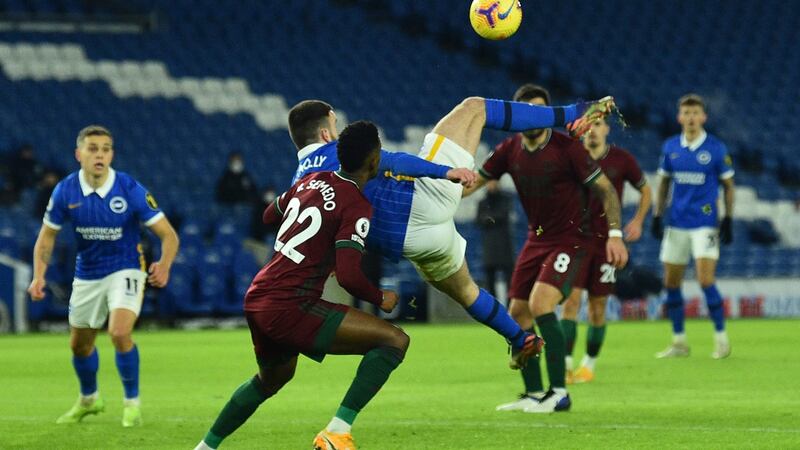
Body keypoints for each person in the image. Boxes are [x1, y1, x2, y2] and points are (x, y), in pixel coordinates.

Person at [286, 95, 611, 370]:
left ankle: (519, 338)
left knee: (467, 291)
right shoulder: (337, 152)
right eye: (336, 124)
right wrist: (445, 172)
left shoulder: (300, 188)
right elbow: (394, 162)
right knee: (474, 108)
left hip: (413, 244)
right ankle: (573, 114)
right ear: (328, 133)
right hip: (425, 200)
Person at [194, 121, 407, 450]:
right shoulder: (357, 205)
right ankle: (337, 432)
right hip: (290, 303)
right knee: (394, 340)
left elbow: (268, 215)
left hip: (259, 296)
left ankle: (205, 448)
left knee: (273, 379)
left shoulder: (312, 179)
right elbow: (349, 276)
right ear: (374, 160)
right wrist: (381, 297)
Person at [462, 84, 628, 413]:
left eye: (541, 110)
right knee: (517, 314)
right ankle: (534, 392)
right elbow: (474, 184)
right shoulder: (509, 149)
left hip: (571, 239)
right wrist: (438, 190)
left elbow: (607, 190)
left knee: (540, 305)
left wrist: (615, 234)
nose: (534, 117)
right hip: (535, 240)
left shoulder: (568, 148)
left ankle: (559, 393)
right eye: (528, 110)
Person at [27, 125, 179, 427]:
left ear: (112, 154)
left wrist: (164, 264)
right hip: (87, 274)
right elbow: (46, 238)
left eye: (106, 149)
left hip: (126, 267)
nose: (100, 154)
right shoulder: (65, 191)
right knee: (79, 345)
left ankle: (131, 404)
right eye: (93, 148)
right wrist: (38, 276)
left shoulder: (129, 188)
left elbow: (168, 235)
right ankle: (89, 399)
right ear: (78, 154)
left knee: (119, 332)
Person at [560, 117, 652, 384]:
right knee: (571, 303)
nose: (592, 130)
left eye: (598, 124)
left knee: (597, 308)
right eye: (587, 126)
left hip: (605, 245)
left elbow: (646, 190)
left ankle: (588, 366)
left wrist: (638, 220)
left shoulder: (621, 159)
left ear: (607, 129)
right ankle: (566, 366)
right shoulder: (572, 158)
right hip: (575, 242)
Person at [651, 94, 735, 359]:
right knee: (671, 283)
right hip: (676, 223)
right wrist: (657, 215)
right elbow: (664, 183)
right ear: (679, 117)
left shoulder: (716, 148)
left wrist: (728, 218)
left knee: (705, 279)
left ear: (703, 117)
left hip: (705, 224)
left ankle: (721, 339)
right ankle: (679, 341)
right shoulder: (670, 147)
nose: (690, 118)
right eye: (686, 113)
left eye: (695, 113)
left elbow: (729, 186)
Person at [476, 180, 515, 299]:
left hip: (504, 245)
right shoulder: (482, 202)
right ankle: (494, 307)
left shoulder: (506, 199)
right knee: (490, 279)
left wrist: (488, 218)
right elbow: (478, 220)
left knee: (510, 277)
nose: (491, 185)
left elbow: (502, 215)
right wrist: (492, 218)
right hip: (489, 245)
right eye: (489, 182)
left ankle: (510, 307)